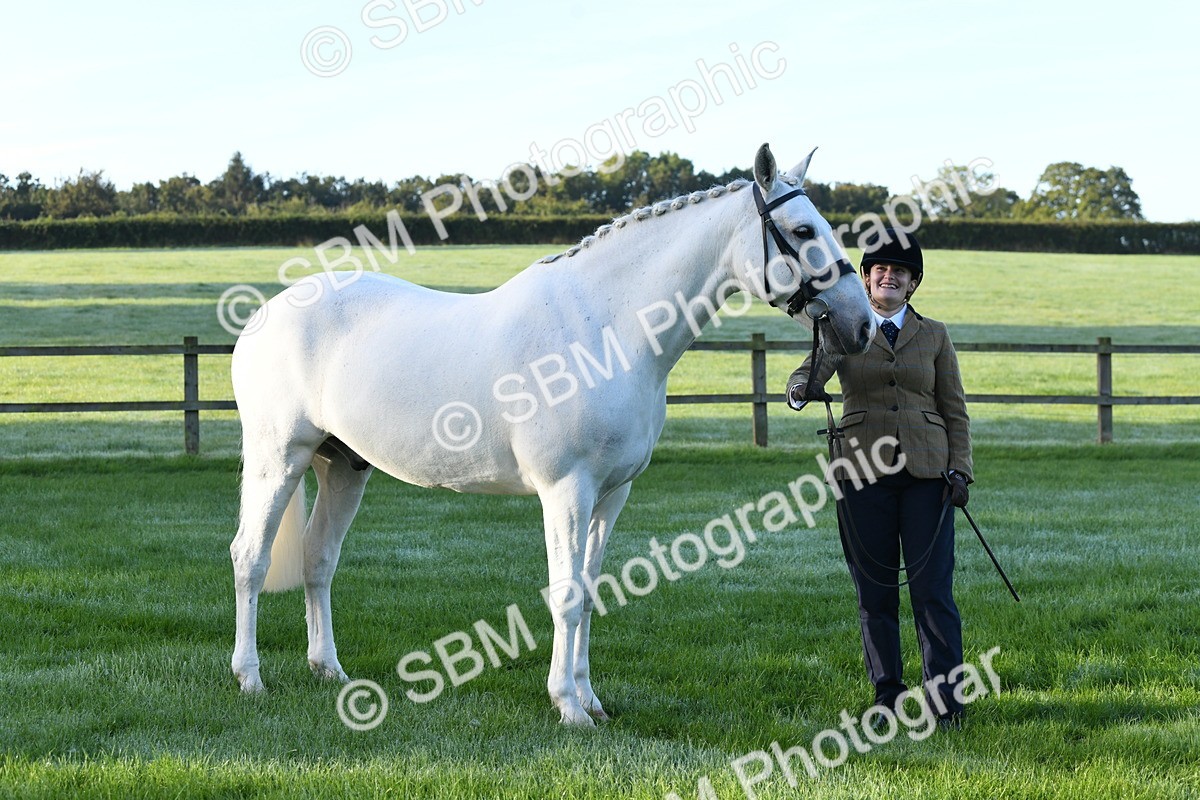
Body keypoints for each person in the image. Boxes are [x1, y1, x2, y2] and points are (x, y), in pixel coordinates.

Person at [786, 228, 972, 728]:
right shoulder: (846, 329)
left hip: (928, 473)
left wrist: (961, 470)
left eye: (900, 272)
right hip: (860, 471)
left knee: (933, 589)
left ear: (912, 283)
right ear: (866, 279)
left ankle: (946, 701)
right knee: (875, 590)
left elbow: (955, 410)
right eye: (880, 270)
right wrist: (799, 387)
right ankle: (888, 693)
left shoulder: (934, 334)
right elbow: (809, 376)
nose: (889, 276)